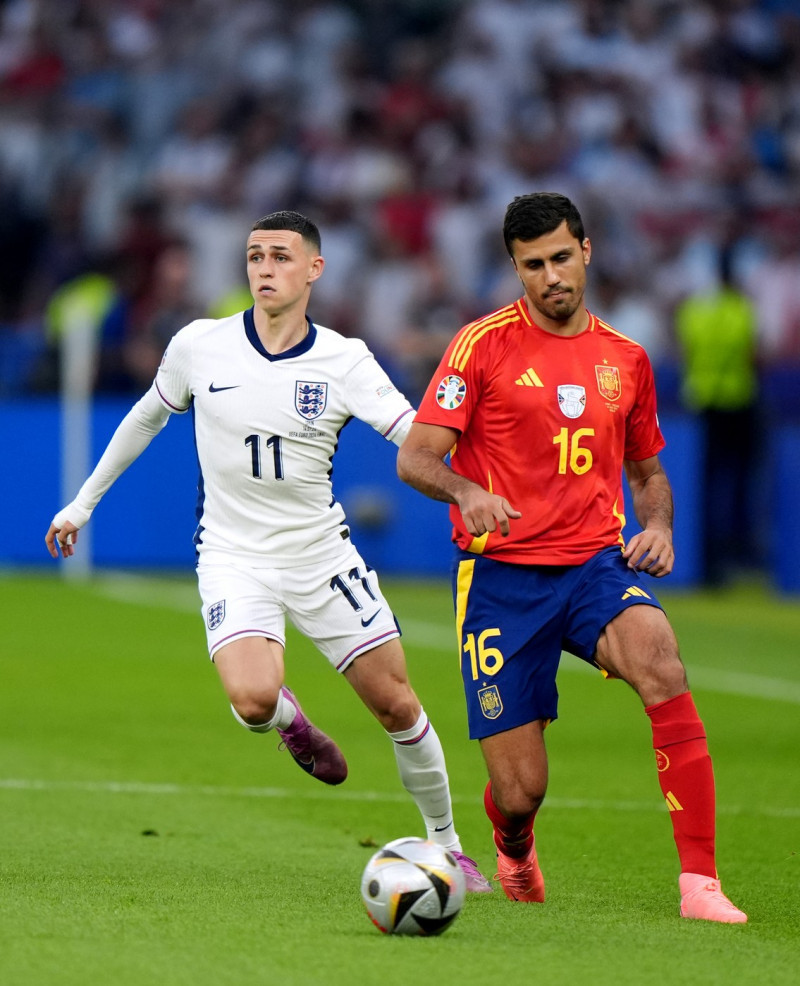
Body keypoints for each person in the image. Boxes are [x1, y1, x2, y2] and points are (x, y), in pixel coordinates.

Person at [45, 210, 490, 893]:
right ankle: (291, 720)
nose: (264, 269)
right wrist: (82, 503)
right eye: (255, 257)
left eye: (281, 257)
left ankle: (448, 845)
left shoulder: (344, 359)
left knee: (398, 705)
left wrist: (468, 486)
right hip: (232, 554)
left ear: (314, 269)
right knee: (252, 700)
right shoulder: (200, 346)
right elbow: (147, 416)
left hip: (321, 556)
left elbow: (413, 433)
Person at [396, 192, 747, 922]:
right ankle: (514, 844)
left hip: (594, 567)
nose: (550, 276)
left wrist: (660, 529)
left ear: (586, 250)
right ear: (515, 269)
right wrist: (465, 491)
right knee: (522, 791)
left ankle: (700, 884)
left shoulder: (627, 359)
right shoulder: (479, 346)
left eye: (560, 257)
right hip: (501, 581)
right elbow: (416, 457)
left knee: (661, 660)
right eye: (533, 265)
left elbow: (649, 473)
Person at [675, 247, 761, 586]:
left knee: (701, 487)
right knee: (737, 485)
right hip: (737, 404)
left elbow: (684, 350)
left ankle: (704, 561)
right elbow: (754, 354)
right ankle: (736, 556)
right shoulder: (742, 308)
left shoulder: (696, 310)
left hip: (700, 404)